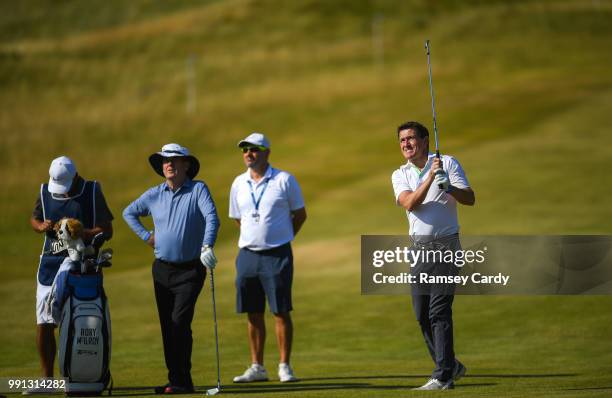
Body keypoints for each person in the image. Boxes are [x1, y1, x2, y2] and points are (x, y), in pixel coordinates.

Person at [123, 143, 220, 394]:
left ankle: (182, 380)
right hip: (162, 270)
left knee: (179, 321)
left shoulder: (198, 189)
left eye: (174, 160)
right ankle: (175, 379)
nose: (169, 164)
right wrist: (146, 236)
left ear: (186, 165)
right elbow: (129, 212)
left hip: (190, 270)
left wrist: (207, 245)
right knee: (168, 326)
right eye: (165, 160)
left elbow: (212, 218)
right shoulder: (154, 194)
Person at [391, 121, 475, 390]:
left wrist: (449, 187)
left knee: (439, 311)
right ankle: (451, 365)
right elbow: (409, 203)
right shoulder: (399, 174)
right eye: (402, 140)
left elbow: (470, 198)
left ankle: (442, 375)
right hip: (419, 250)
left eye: (411, 138)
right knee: (421, 314)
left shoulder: (448, 163)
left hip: (447, 245)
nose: (406, 144)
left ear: (426, 140)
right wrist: (430, 179)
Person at [29, 156, 114, 392]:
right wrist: (41, 227)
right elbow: (34, 219)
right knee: (44, 322)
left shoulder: (92, 190)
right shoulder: (46, 191)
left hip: (81, 266)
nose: (62, 193)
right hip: (49, 265)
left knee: (82, 320)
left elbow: (107, 230)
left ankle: (84, 374)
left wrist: (79, 234)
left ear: (75, 177)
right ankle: (47, 381)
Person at [229, 133, 307, 383]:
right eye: (245, 150)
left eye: (254, 149)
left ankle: (284, 366)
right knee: (252, 311)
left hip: (277, 254)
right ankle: (257, 367)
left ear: (266, 152)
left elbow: (300, 214)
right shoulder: (238, 183)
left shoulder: (284, 180)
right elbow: (237, 218)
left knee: (280, 311)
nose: (248, 154)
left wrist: (283, 237)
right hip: (247, 255)